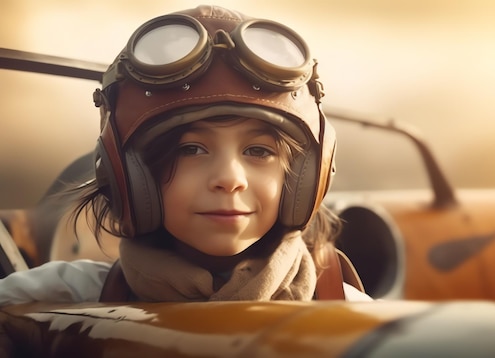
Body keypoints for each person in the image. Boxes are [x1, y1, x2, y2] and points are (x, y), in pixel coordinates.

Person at [0, 4, 371, 303]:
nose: (229, 179)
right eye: (190, 149)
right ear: (127, 175)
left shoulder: (358, 320)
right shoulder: (63, 297)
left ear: (306, 179)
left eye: (258, 150)